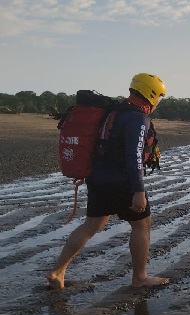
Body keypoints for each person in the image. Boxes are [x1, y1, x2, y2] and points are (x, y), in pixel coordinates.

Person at [46, 73, 170, 289]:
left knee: (92, 225)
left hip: (97, 178)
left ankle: (58, 271)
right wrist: (138, 190)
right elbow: (134, 154)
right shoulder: (137, 117)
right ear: (151, 94)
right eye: (159, 96)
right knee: (142, 225)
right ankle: (140, 277)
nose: (158, 101)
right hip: (122, 181)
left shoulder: (112, 111)